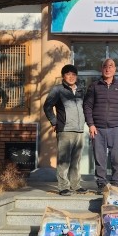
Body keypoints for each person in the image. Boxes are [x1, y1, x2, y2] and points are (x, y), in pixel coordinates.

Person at [83, 58, 118, 193]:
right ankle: (101, 183)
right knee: (100, 157)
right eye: (105, 66)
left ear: (115, 69)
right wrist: (91, 124)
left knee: (116, 157)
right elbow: (87, 106)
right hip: (98, 128)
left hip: (115, 128)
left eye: (111, 66)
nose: (108, 69)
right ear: (101, 69)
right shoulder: (94, 86)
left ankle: (116, 182)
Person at [43, 64, 87, 196]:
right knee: (64, 160)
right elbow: (47, 106)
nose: (71, 77)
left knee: (76, 160)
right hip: (65, 129)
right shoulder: (57, 90)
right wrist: (54, 121)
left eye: (73, 74)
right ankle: (63, 187)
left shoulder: (81, 90)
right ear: (63, 76)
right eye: (68, 74)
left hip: (79, 129)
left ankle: (75, 185)